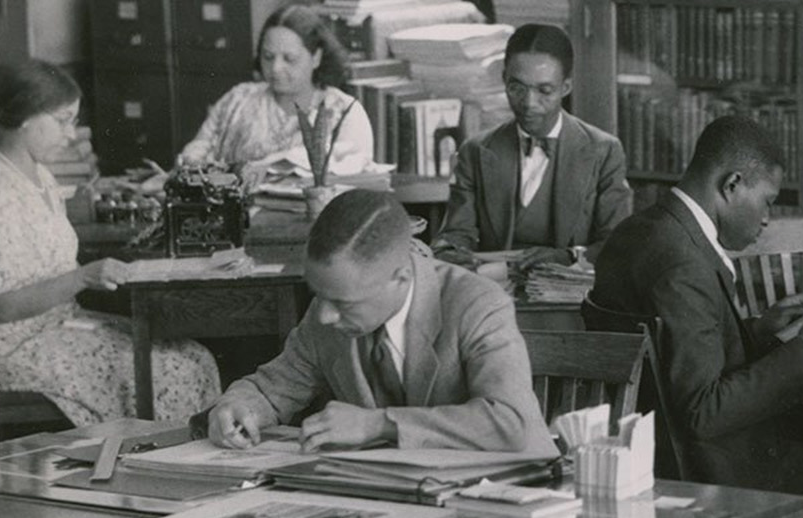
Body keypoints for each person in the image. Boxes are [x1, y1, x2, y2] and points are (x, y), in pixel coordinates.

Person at [587, 115, 803, 511]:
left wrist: (757, 330)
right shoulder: (684, 263)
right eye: (767, 201)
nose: (766, 219)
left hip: (649, 461)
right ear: (732, 184)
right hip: (720, 477)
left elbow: (673, 348)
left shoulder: (639, 231)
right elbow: (703, 412)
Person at [0, 60, 219, 424]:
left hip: (57, 325)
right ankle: (155, 467)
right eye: (63, 120)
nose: (71, 134)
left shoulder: (37, 174)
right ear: (25, 118)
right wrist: (82, 277)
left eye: (73, 121)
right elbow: (2, 306)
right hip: (14, 349)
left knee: (194, 357)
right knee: (170, 371)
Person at [206, 189, 558, 457]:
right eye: (319, 295)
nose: (325, 315)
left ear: (401, 277)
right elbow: (272, 389)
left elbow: (512, 423)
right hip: (399, 504)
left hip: (506, 508)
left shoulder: (477, 304)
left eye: (343, 304)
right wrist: (237, 407)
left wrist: (379, 424)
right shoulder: (328, 310)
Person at [433, 24, 632, 270]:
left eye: (544, 90)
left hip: (570, 294)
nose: (528, 103)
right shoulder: (475, 150)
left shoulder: (604, 151)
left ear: (565, 88)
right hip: (495, 290)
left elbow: (618, 244)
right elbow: (455, 234)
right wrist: (451, 251)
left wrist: (568, 256)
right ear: (504, 79)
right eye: (516, 88)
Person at [178, 5, 375, 184]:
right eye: (268, 57)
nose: (276, 68)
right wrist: (192, 160)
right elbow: (201, 146)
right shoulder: (238, 98)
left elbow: (352, 170)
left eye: (289, 59)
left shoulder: (344, 111)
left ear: (316, 57)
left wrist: (273, 164)